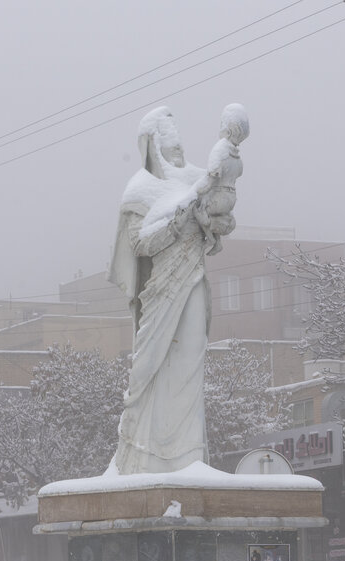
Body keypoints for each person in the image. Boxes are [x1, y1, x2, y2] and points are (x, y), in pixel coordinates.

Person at [109, 105, 244, 475]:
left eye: (179, 142)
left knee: (190, 362)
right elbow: (139, 244)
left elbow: (222, 217)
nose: (177, 149)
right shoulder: (140, 189)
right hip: (162, 289)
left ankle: (188, 457)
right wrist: (178, 219)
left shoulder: (196, 179)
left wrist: (215, 219)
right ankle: (142, 452)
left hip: (193, 281)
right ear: (152, 145)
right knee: (150, 368)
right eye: (168, 143)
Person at [192, 103, 249, 256]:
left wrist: (193, 192)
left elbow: (209, 183)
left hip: (219, 198)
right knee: (209, 208)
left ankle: (211, 240)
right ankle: (217, 241)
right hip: (231, 198)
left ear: (227, 127)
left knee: (197, 208)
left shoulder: (220, 150)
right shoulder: (237, 157)